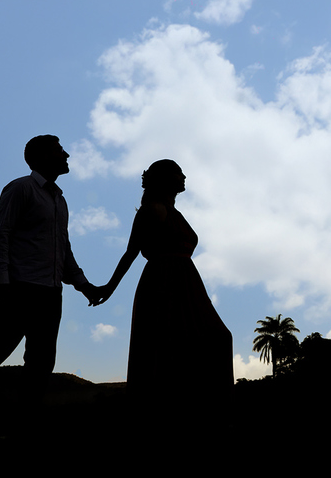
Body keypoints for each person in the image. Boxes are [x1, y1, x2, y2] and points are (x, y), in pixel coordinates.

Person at [0, 135, 103, 401]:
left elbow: (62, 248)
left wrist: (83, 285)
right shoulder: (20, 189)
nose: (66, 155)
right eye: (60, 151)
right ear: (43, 156)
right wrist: (2, 283)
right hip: (20, 287)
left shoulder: (59, 200)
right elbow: (0, 236)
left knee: (41, 361)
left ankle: (26, 420)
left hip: (51, 292)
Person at [95, 159, 232, 405]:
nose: (184, 177)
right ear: (165, 179)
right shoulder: (153, 210)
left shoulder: (173, 211)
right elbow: (131, 252)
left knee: (215, 338)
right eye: (178, 173)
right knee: (172, 346)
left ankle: (209, 410)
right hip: (164, 283)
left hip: (187, 281)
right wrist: (109, 288)